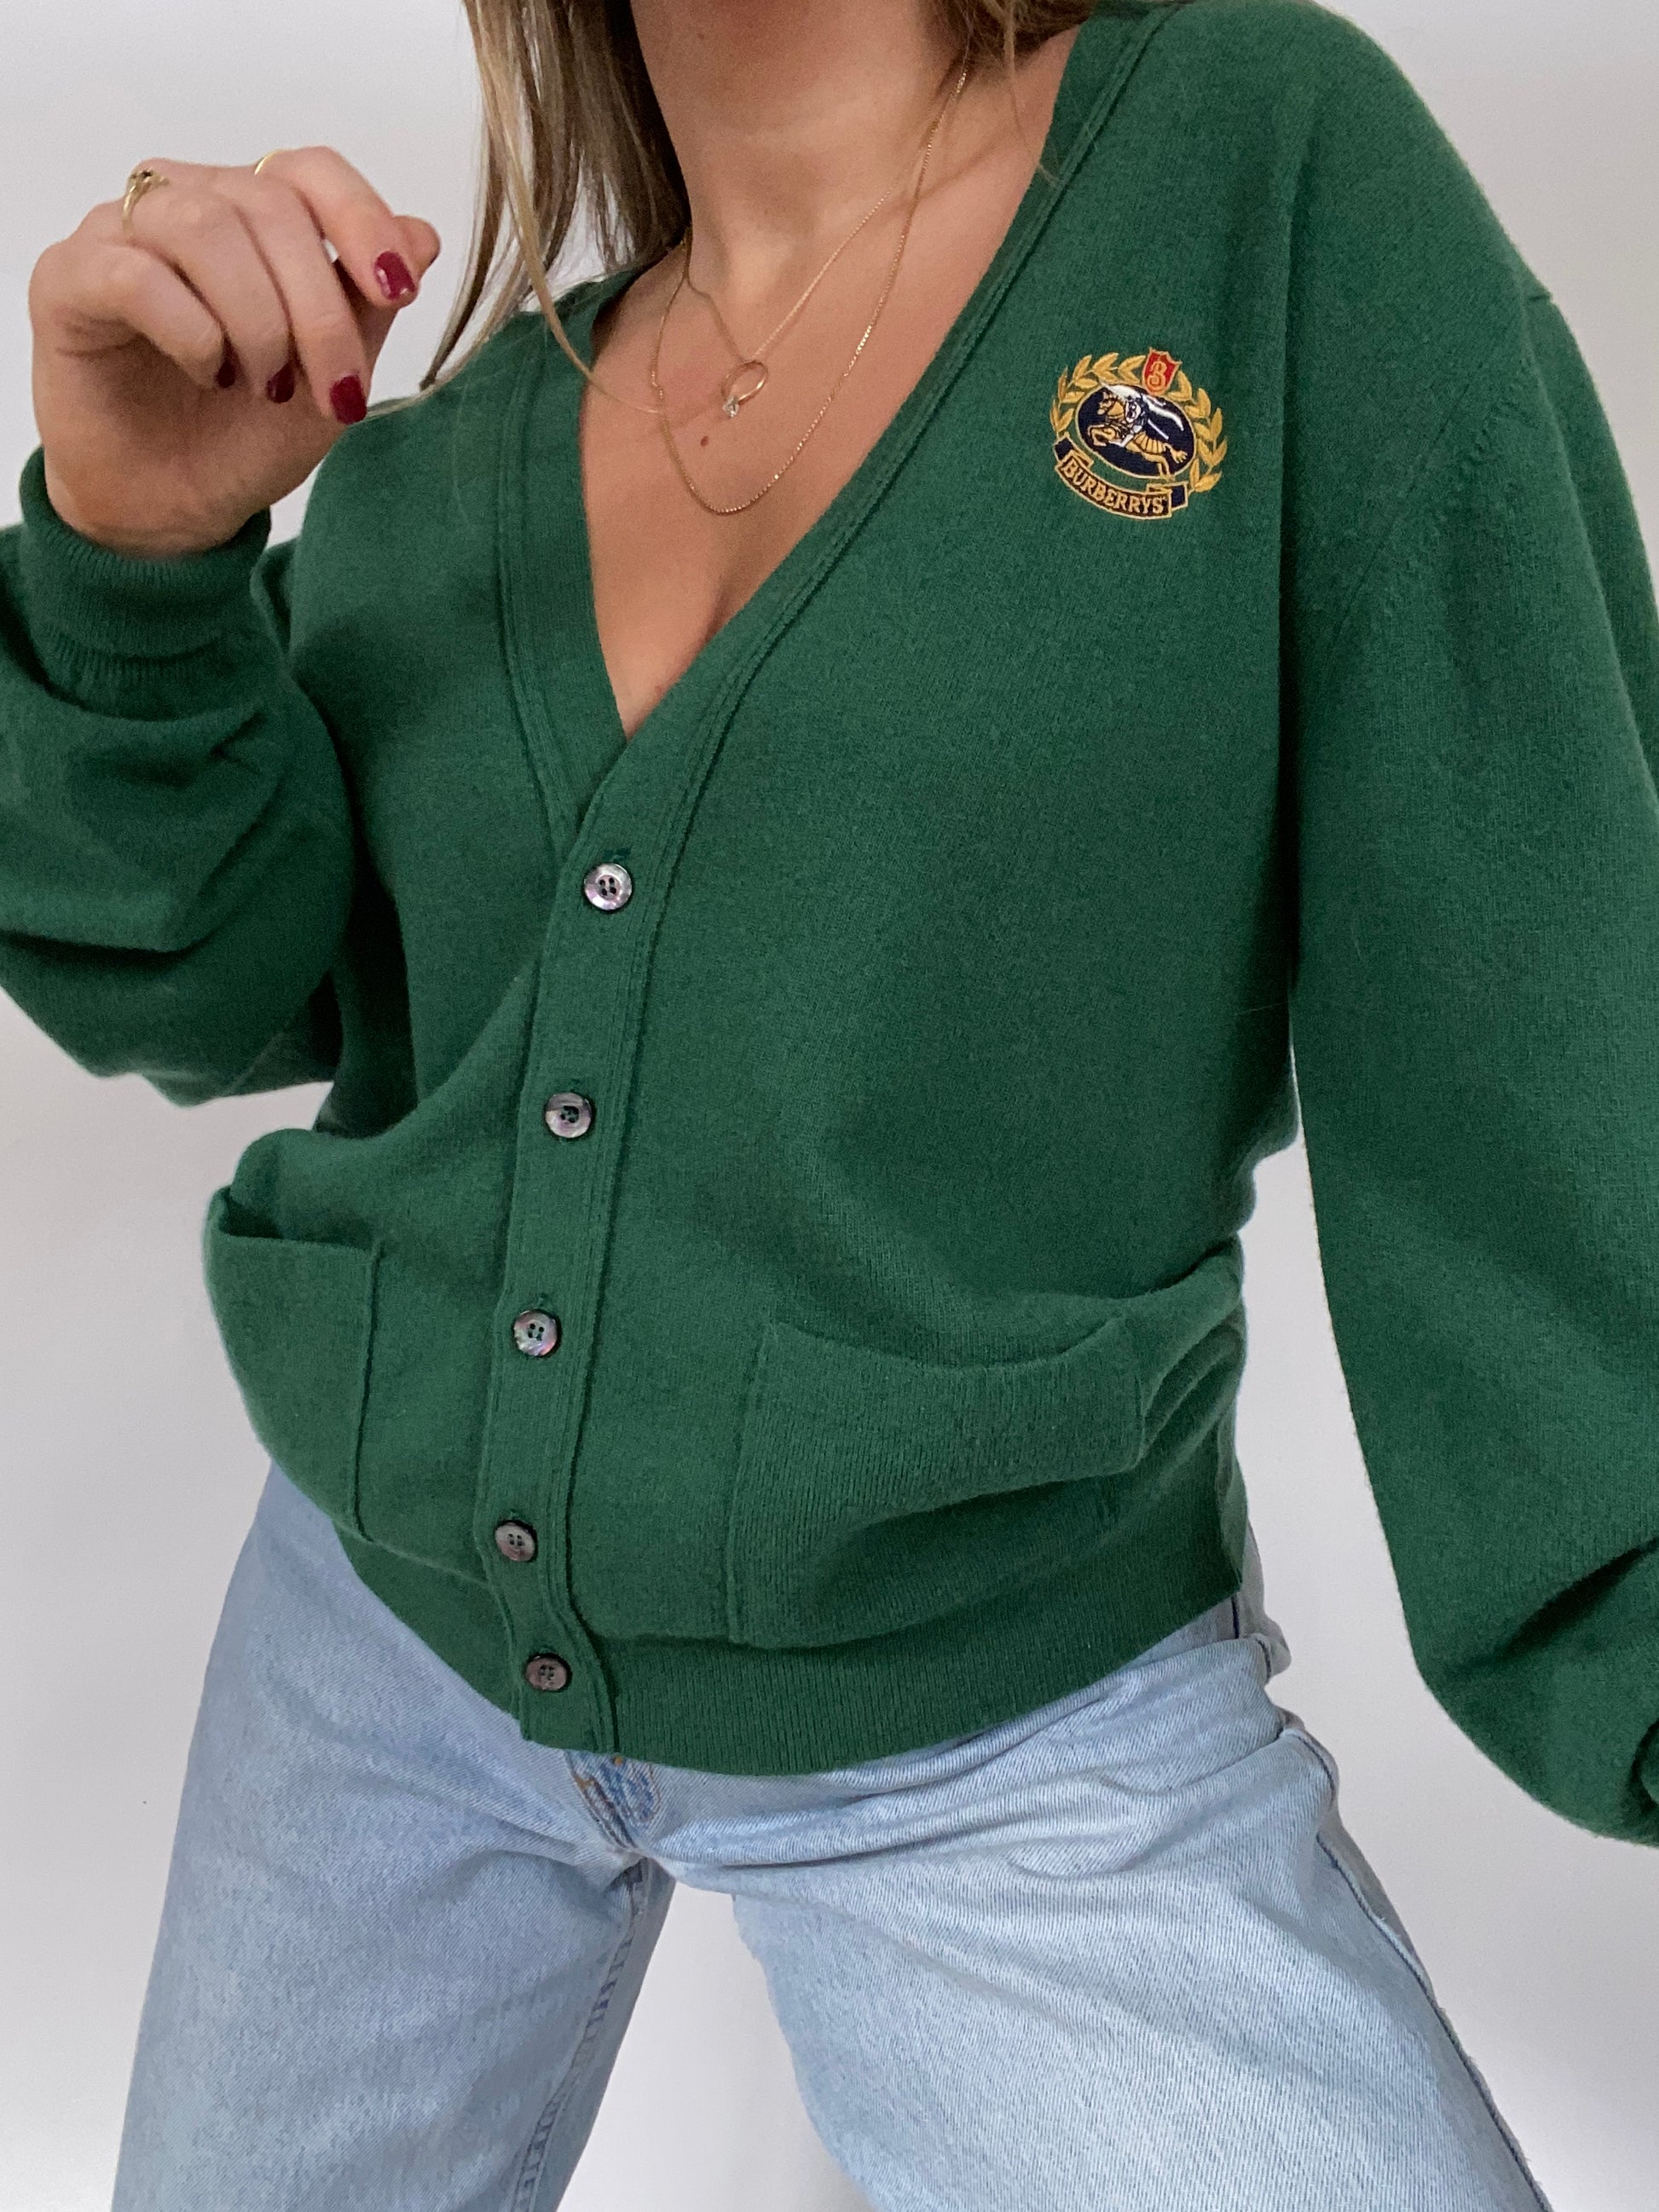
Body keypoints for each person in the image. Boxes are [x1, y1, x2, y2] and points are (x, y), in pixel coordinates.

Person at [4, 0, 1656, 2202]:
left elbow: (1527, 963)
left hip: (1005, 1743)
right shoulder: (457, 435)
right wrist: (135, 550)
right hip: (371, 1650)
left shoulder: (1253, 173)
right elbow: (216, 978)